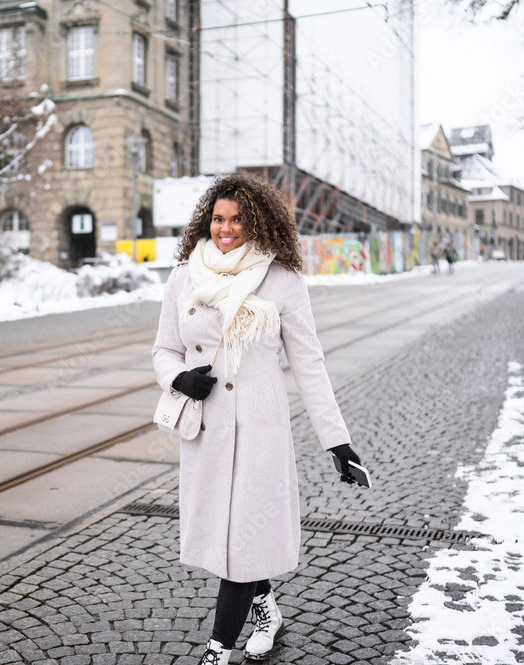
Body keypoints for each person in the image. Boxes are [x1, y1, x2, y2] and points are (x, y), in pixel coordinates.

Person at [151, 172, 364, 664]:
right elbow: (165, 349)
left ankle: (216, 653)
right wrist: (179, 378)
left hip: (261, 433)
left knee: (244, 541)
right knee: (228, 539)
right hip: (207, 432)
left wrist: (337, 441)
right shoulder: (185, 276)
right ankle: (267, 610)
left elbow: (309, 364)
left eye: (237, 220)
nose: (225, 229)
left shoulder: (282, 280)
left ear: (258, 222)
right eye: (218, 219)